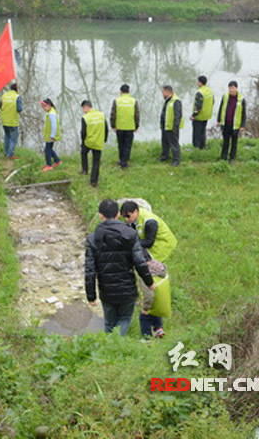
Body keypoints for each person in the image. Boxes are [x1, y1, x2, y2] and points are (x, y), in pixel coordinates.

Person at [85, 199, 155, 337]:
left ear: (101, 216)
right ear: (118, 214)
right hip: (127, 288)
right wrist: (149, 282)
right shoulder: (130, 234)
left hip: (106, 290)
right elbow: (139, 262)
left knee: (109, 323)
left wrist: (91, 295)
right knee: (124, 319)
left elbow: (90, 270)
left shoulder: (93, 238)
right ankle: (115, 344)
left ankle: (109, 348)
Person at [121, 201, 177, 340]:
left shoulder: (150, 221)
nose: (127, 220)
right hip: (150, 255)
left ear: (135, 212)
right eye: (125, 217)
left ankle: (147, 337)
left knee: (149, 286)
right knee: (155, 286)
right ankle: (158, 327)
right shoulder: (135, 219)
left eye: (128, 216)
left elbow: (149, 242)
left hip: (160, 248)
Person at [110, 84, 140, 169]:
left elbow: (113, 114)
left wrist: (113, 125)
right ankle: (125, 161)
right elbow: (137, 115)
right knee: (128, 145)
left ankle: (121, 160)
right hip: (130, 126)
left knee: (121, 144)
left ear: (120, 92)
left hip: (119, 126)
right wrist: (136, 126)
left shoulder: (116, 101)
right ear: (128, 92)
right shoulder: (133, 101)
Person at [80, 100, 108, 187]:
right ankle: (93, 181)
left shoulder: (85, 117)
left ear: (86, 107)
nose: (83, 111)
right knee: (96, 161)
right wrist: (104, 139)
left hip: (88, 142)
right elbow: (106, 129)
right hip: (98, 142)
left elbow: (83, 132)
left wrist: (83, 141)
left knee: (83, 153)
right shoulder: (101, 115)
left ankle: (85, 170)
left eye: (83, 109)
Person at [217, 80, 246, 163]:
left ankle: (232, 159)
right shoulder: (225, 97)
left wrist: (242, 125)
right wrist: (219, 120)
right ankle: (223, 157)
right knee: (225, 142)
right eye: (230, 88)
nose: (231, 90)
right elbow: (221, 108)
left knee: (234, 143)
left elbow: (244, 113)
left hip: (235, 125)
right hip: (226, 123)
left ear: (236, 88)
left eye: (233, 88)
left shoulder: (241, 99)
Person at [160, 85, 183, 167]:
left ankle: (176, 160)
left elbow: (178, 115)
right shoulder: (167, 100)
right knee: (165, 143)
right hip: (165, 126)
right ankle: (164, 156)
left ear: (167, 92)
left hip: (172, 127)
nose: (162, 94)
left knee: (174, 144)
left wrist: (175, 127)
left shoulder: (176, 101)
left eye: (163, 92)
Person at [0, 83, 23, 160]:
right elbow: (19, 109)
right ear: (17, 89)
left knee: (7, 136)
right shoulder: (17, 97)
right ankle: (10, 155)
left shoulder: (4, 96)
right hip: (12, 121)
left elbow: (0, 106)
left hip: (4, 120)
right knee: (13, 139)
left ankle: (6, 153)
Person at [190, 75, 214, 149]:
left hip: (199, 116)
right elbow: (213, 101)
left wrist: (193, 115)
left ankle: (196, 148)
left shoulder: (199, 92)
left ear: (200, 83)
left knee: (197, 133)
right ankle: (203, 146)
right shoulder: (209, 91)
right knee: (203, 132)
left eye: (198, 82)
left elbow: (198, 106)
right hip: (206, 115)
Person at [41, 98, 62, 172]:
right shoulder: (51, 111)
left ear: (49, 105)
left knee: (47, 150)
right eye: (43, 107)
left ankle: (49, 165)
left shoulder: (51, 114)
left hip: (51, 136)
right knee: (49, 149)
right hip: (49, 135)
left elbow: (54, 125)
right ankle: (58, 161)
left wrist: (52, 136)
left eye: (45, 106)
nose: (44, 108)